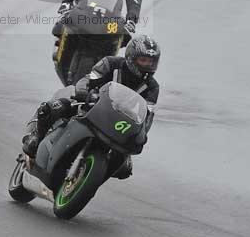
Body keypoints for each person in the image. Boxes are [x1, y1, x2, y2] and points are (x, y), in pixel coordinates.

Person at [22, 34, 160, 179]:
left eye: (151, 62)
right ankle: (36, 137)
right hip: (91, 105)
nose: (147, 65)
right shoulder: (111, 63)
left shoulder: (152, 87)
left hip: (118, 124)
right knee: (52, 108)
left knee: (124, 167)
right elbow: (88, 79)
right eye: (143, 60)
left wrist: (141, 133)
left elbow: (147, 115)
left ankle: (90, 180)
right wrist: (83, 92)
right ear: (131, 57)